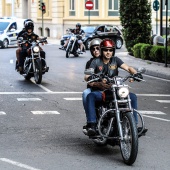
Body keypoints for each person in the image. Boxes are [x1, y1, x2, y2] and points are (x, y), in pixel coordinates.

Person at [83, 38, 147, 136]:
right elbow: (86, 75)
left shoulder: (115, 60)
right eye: (105, 50)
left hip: (115, 90)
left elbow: (128, 68)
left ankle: (134, 126)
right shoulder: (95, 61)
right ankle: (92, 125)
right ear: (101, 50)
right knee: (90, 96)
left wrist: (135, 73)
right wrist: (92, 77)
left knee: (132, 97)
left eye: (110, 50)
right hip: (102, 91)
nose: (108, 52)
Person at [82, 38, 102, 132]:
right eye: (93, 49)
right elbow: (86, 76)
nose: (95, 51)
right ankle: (90, 121)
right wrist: (89, 77)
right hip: (94, 88)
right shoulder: (90, 63)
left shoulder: (109, 60)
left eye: (98, 48)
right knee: (86, 93)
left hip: (108, 88)